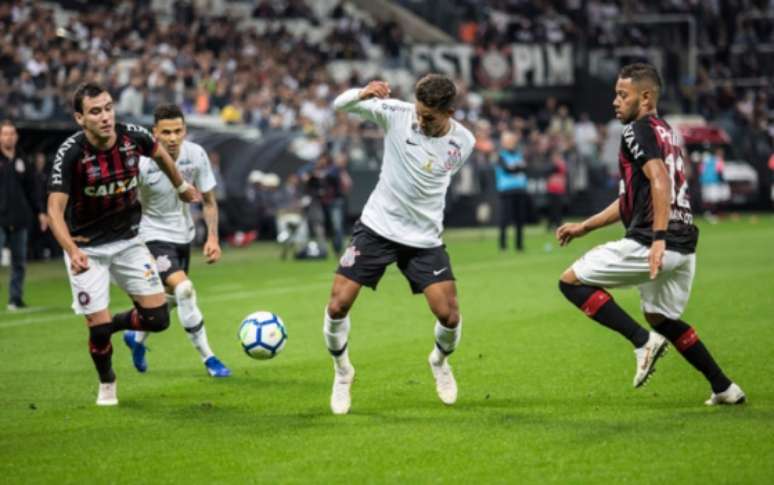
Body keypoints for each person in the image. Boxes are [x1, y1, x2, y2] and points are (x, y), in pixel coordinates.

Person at [556, 64, 745, 405]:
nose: (615, 101)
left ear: (645, 97)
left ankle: (642, 342)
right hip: (684, 243)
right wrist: (583, 227)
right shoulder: (667, 132)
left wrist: (657, 238)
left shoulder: (635, 131)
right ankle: (723, 387)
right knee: (662, 317)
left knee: (570, 282)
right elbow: (630, 199)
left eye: (622, 95)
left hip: (654, 240)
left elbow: (661, 181)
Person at [323, 74, 475, 414]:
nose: (420, 120)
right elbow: (339, 105)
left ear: (449, 111)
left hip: (422, 238)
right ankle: (342, 371)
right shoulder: (396, 112)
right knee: (337, 306)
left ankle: (439, 361)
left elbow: (438, 178)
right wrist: (362, 93)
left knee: (449, 316)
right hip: (377, 226)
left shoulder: (464, 142)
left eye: (430, 117)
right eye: (419, 112)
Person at [47, 83, 199, 406]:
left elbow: (160, 155)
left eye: (108, 108)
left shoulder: (133, 136)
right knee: (97, 330)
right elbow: (54, 211)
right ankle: (107, 382)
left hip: (129, 241)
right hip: (87, 249)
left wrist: (182, 186)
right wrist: (72, 251)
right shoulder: (71, 153)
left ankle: (113, 326)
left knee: (158, 319)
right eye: (95, 111)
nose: (105, 117)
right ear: (80, 118)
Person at [123, 104, 231, 378]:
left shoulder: (196, 155)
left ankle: (136, 337)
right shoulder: (141, 163)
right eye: (166, 132)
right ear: (154, 133)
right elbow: (123, 203)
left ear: (185, 131)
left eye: (178, 131)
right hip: (152, 237)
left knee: (168, 299)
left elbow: (208, 201)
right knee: (184, 290)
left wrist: (213, 238)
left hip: (183, 235)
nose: (173, 138)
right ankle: (210, 358)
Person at [0, 120, 47, 310]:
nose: (9, 137)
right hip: (0, 219)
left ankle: (15, 299)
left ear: (16, 136)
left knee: (19, 262)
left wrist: (41, 211)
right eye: (5, 133)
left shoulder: (23, 160)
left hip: (20, 218)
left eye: (12, 133)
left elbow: (33, 190)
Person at [495, 130, 529, 251]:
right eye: (508, 141)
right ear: (503, 142)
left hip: (519, 190)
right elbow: (508, 169)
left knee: (520, 219)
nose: (510, 143)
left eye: (512, 140)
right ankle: (503, 245)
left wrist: (516, 167)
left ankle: (519, 245)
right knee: (504, 220)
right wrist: (518, 167)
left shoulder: (519, 154)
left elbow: (524, 167)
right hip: (506, 191)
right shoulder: (501, 156)